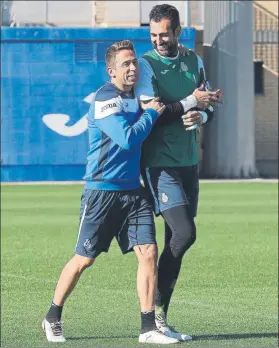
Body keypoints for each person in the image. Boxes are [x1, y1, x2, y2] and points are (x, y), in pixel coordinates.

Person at [42, 40, 180, 345]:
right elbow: (128, 139)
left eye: (133, 62)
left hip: (134, 192)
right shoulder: (105, 98)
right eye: (125, 64)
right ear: (111, 70)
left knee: (148, 252)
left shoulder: (134, 96)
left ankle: (147, 328)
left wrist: (192, 107)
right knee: (83, 259)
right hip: (102, 192)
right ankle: (53, 315)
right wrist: (152, 114)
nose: (132, 68)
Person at [135, 4, 222, 342]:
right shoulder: (145, 65)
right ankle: (150, 312)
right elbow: (155, 112)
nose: (158, 41)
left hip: (189, 163)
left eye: (164, 35)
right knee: (185, 233)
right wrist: (192, 102)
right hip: (160, 164)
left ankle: (160, 319)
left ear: (178, 32)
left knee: (177, 239)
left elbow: (209, 103)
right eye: (154, 35)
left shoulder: (194, 61)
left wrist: (204, 116)